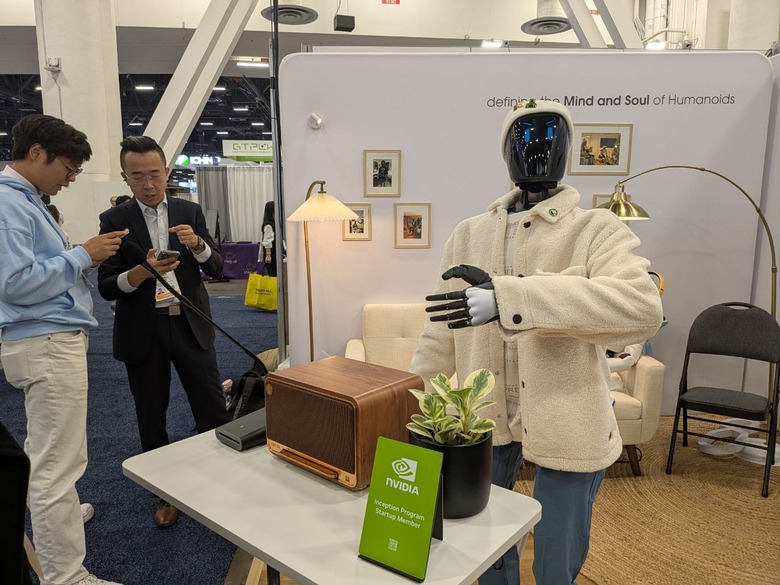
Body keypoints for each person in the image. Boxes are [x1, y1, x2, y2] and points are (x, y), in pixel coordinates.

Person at [410, 100, 663, 585]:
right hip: (481, 419)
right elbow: (440, 329)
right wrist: (407, 399)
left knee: (556, 557)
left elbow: (641, 308)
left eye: (554, 136)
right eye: (524, 137)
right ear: (505, 152)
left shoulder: (596, 228)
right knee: (482, 546)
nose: (539, 148)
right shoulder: (469, 234)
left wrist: (513, 297)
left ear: (569, 150)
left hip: (570, 418)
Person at [0, 114, 128, 585]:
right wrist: (80, 256)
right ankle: (66, 576)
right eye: (69, 168)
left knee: (51, 457)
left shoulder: (26, 202)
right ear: (36, 153)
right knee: (58, 466)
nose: (71, 179)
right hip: (46, 342)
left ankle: (59, 523)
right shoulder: (9, 204)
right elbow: (14, 284)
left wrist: (79, 256)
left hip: (45, 340)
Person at [97, 136, 230, 528]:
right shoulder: (115, 221)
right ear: (125, 178)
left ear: (167, 172)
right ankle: (164, 494)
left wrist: (199, 246)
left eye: (155, 174)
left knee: (211, 407)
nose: (149, 184)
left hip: (190, 324)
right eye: (138, 177)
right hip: (144, 330)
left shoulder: (189, 210)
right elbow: (106, 285)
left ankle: (227, 484)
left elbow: (218, 267)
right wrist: (141, 273)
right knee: (151, 413)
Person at [261, 200, 277, 277]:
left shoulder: (272, 223)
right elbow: (267, 240)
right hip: (271, 253)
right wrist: (268, 255)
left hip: (273, 252)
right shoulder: (268, 225)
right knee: (273, 274)